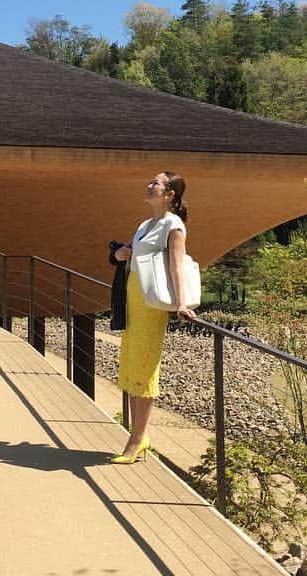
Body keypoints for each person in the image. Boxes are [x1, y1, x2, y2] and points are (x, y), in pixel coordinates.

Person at [110, 171, 196, 464]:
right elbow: (138, 259)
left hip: (150, 305)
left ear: (170, 194)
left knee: (145, 366)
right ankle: (137, 435)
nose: (149, 186)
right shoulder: (145, 225)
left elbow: (176, 266)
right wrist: (122, 254)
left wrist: (181, 304)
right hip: (134, 300)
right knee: (134, 365)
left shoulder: (174, 225)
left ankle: (137, 439)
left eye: (155, 184)